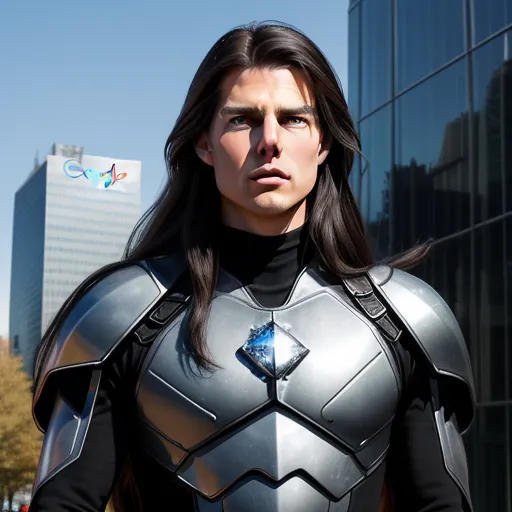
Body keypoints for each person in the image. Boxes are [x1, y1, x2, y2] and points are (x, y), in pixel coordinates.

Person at [29, 22, 475, 512]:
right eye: (243, 119)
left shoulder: (406, 318)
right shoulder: (118, 315)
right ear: (204, 143)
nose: (270, 141)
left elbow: (440, 504)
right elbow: (64, 504)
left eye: (293, 119)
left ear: (323, 143)